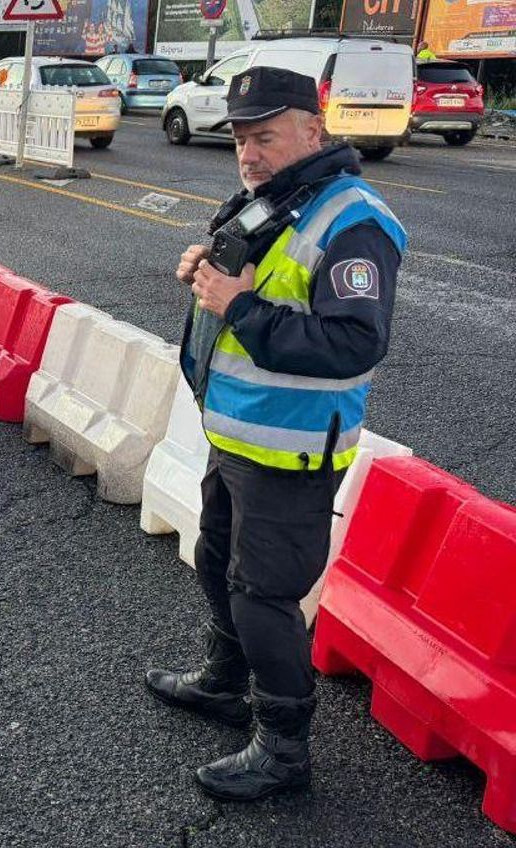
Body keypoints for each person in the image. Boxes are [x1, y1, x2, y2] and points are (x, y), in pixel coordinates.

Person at [148, 67, 406, 802]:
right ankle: (225, 683)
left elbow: (354, 342)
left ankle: (284, 749)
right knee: (214, 559)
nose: (248, 153)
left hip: (290, 450)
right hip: (236, 433)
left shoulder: (352, 219)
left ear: (312, 131)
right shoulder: (280, 201)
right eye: (239, 138)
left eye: (264, 136)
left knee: (265, 597)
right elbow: (251, 282)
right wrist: (207, 272)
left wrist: (237, 307)